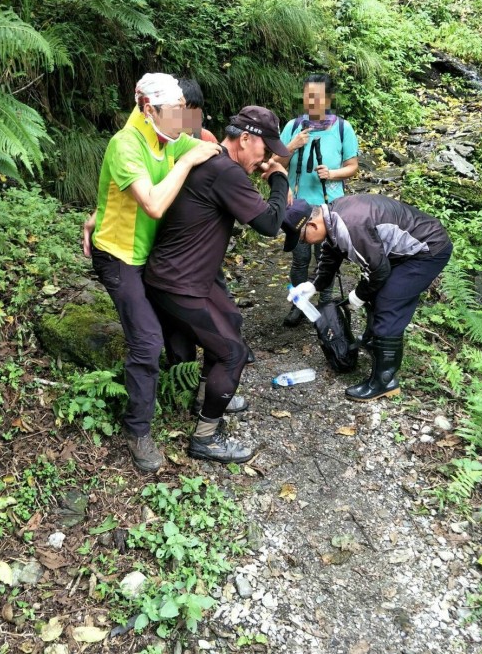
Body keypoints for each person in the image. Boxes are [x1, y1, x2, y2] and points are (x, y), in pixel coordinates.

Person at [85, 73, 221, 473]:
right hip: (118, 258)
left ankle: (191, 391)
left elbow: (213, 154)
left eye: (183, 110)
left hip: (152, 256)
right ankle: (137, 429)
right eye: (175, 111)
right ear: (149, 109)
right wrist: (190, 160)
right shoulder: (125, 144)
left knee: (189, 313)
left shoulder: (167, 138)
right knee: (146, 341)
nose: (182, 119)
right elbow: (153, 205)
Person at [145, 106, 290, 463]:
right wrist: (279, 177)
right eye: (265, 150)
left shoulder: (216, 163)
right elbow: (271, 224)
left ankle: (203, 397)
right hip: (177, 283)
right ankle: (206, 437)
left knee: (231, 322)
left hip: (186, 277)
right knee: (232, 353)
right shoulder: (224, 171)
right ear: (245, 139)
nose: (266, 158)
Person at [281, 195, 453, 401]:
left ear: (312, 225)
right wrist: (313, 285)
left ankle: (385, 381)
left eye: (302, 238)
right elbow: (330, 255)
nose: (303, 242)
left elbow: (378, 270)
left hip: (427, 250)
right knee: (378, 296)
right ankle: (375, 343)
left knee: (390, 302)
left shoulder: (351, 224)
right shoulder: (332, 218)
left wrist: (359, 295)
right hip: (402, 252)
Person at [278, 74, 359, 327]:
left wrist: (332, 173)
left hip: (330, 206)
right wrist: (291, 146)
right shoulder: (293, 127)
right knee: (300, 259)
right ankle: (298, 306)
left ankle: (326, 303)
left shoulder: (343, 128)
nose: (312, 101)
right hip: (298, 206)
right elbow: (276, 165)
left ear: (328, 98)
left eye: (318, 96)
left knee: (328, 259)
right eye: (308, 95)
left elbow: (352, 166)